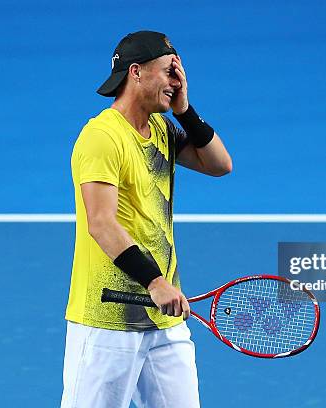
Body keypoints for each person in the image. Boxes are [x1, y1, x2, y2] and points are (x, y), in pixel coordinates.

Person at [60, 31, 232, 408]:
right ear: (136, 72)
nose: (177, 81)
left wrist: (185, 110)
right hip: (107, 320)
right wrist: (155, 281)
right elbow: (101, 223)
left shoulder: (163, 130)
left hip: (165, 321)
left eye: (180, 74)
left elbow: (220, 164)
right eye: (170, 72)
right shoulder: (101, 137)